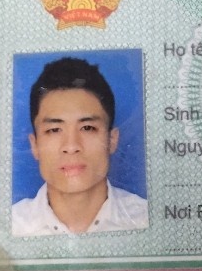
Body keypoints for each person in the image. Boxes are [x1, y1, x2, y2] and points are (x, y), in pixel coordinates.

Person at [12, 57, 149, 236]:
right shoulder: (11, 226)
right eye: (54, 130)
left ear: (112, 140)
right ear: (34, 145)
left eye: (87, 128)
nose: (71, 146)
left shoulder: (145, 219)